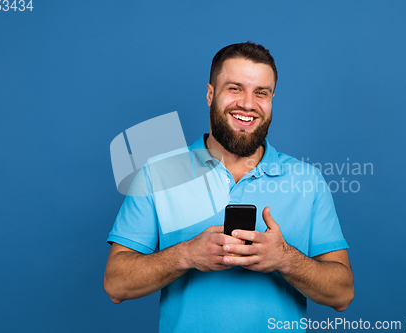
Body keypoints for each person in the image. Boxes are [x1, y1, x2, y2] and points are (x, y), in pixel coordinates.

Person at [104, 41, 354, 332]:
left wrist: (284, 258)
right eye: (234, 88)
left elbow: (342, 294)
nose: (248, 104)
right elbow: (115, 284)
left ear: (272, 99)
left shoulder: (308, 181)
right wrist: (186, 255)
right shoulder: (156, 174)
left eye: (261, 93)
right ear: (210, 94)